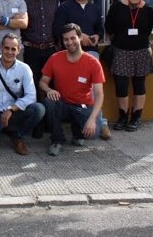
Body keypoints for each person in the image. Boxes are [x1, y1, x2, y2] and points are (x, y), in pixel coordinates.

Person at [39, 23, 105, 156]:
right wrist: (49, 90)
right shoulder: (55, 58)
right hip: (62, 104)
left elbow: (99, 94)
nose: (70, 42)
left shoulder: (92, 62)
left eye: (73, 38)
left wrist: (92, 119)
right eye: (66, 39)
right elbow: (42, 82)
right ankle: (57, 140)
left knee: (95, 131)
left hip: (83, 106)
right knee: (48, 102)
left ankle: (78, 134)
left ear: (80, 37)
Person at [0, 33, 45, 157]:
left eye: (13, 49)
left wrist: (11, 109)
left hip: (13, 113)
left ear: (18, 51)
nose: (9, 52)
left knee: (38, 109)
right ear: (1, 48)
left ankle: (17, 136)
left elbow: (31, 96)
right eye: (7, 48)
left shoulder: (24, 68)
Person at [104, 0, 153, 132]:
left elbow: (147, 30)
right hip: (121, 50)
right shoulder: (116, 6)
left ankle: (136, 117)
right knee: (121, 86)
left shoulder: (148, 10)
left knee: (139, 85)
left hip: (141, 51)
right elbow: (109, 27)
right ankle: (122, 116)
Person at [20, 0, 59, 92]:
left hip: (51, 50)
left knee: (53, 84)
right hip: (31, 50)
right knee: (32, 87)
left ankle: (52, 111)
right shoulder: (23, 0)